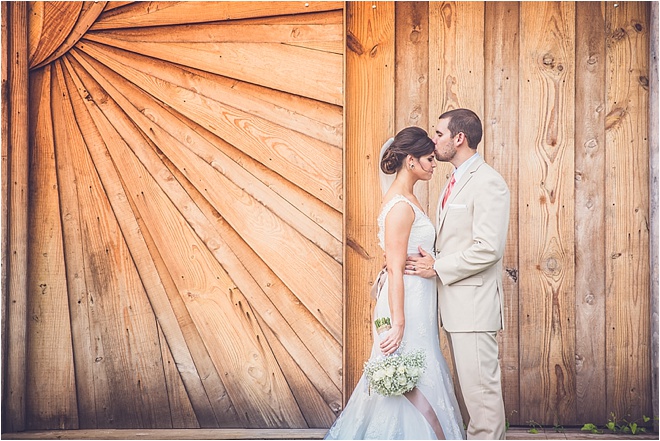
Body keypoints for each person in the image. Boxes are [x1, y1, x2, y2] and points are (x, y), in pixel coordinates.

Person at [325, 127, 465, 440]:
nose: (433, 165)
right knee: (406, 362)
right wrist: (398, 322)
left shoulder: (408, 198)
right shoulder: (401, 206)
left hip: (418, 297)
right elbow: (396, 269)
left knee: (420, 362)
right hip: (405, 302)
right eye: (429, 159)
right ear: (411, 161)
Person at [406, 109, 510, 440]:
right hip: (455, 308)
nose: (434, 139)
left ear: (459, 138)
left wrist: (437, 266)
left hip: (474, 308)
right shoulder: (453, 180)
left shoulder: (488, 181)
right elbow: (456, 241)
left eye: (439, 134)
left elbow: (488, 248)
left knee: (483, 401)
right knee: (473, 398)